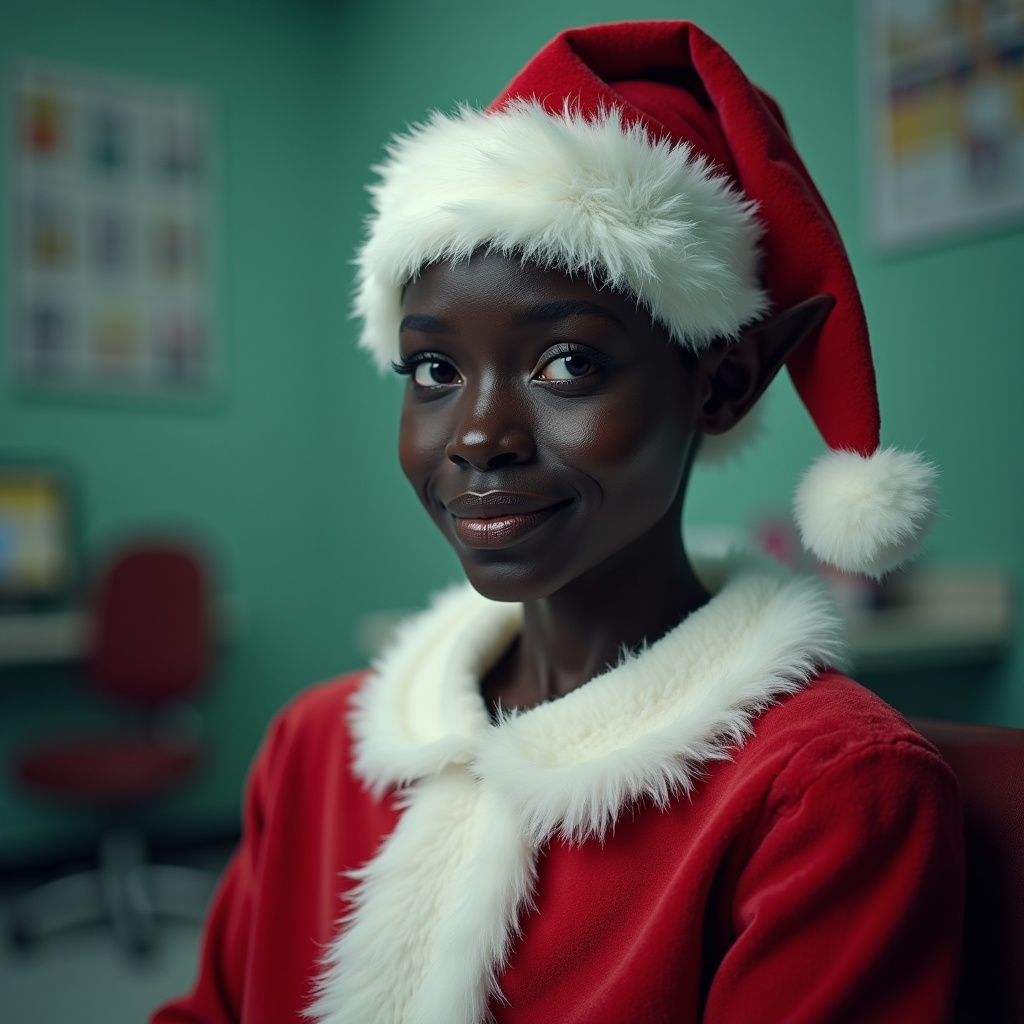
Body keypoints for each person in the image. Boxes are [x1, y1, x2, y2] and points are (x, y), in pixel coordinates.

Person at [153, 21, 963, 1024]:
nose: (479, 434)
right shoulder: (314, 747)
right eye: (434, 371)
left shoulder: (825, 797)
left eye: (566, 361)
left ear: (723, 383)